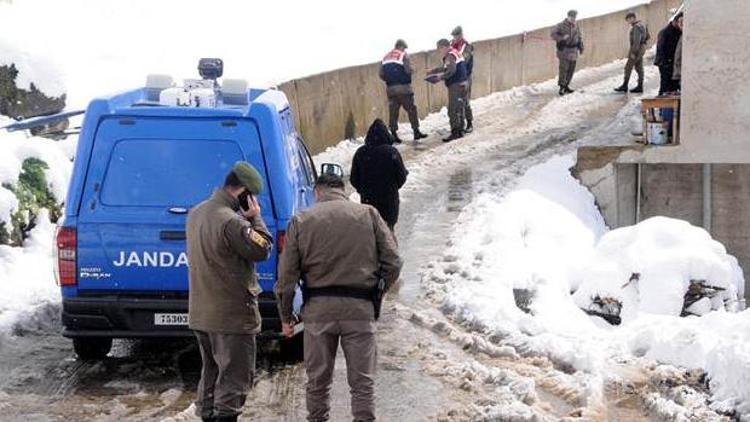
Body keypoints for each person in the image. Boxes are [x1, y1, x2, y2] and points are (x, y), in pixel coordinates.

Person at [275, 170, 403, 422]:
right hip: (360, 309)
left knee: (318, 382)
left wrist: (286, 316)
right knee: (362, 383)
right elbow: (394, 262)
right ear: (343, 191)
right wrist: (377, 291)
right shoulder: (368, 215)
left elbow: (286, 277)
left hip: (318, 312)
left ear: (317, 193)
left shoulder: (301, 220)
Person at [187, 161, 274, 422]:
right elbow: (263, 249)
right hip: (231, 316)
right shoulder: (232, 223)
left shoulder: (197, 212)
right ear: (244, 193)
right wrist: (255, 217)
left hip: (202, 313)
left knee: (211, 377)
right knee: (234, 382)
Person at [350, 119, 409, 232]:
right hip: (389, 203)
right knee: (388, 235)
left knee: (371, 233)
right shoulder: (391, 152)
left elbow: (354, 179)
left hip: (369, 201)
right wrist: (391, 188)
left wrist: (363, 190)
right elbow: (401, 177)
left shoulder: (361, 153)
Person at [379, 39, 428, 144]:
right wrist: (413, 70)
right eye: (404, 48)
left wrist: (391, 80)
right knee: (411, 109)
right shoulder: (403, 55)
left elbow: (381, 74)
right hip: (404, 89)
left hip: (391, 89)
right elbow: (408, 70)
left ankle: (393, 133)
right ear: (401, 47)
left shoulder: (385, 57)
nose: (405, 50)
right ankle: (416, 131)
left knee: (393, 112)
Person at [428, 38, 469, 142]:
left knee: (452, 109)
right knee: (460, 107)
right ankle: (460, 129)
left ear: (444, 47)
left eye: (439, 49)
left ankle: (455, 132)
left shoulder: (450, 55)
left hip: (456, 85)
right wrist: (434, 70)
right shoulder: (455, 53)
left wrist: (439, 77)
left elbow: (451, 70)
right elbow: (446, 67)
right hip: (463, 82)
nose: (439, 51)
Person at [551, 10, 584, 96]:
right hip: (564, 52)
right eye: (572, 17)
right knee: (563, 70)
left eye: (575, 17)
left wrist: (581, 46)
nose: (573, 19)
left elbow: (579, 36)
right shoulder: (561, 25)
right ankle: (562, 87)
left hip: (573, 51)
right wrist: (561, 38)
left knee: (571, 70)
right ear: (568, 17)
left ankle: (566, 85)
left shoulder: (576, 26)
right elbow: (553, 34)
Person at [615, 12, 650, 94]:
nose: (628, 22)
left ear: (633, 18)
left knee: (628, 67)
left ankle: (625, 85)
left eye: (628, 19)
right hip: (642, 47)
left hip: (637, 48)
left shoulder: (636, 27)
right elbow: (648, 36)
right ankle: (640, 86)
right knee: (639, 66)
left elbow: (636, 41)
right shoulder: (642, 24)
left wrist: (633, 52)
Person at [451, 26, 475, 133]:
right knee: (458, 102)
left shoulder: (467, 46)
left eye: (456, 36)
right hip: (457, 77)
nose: (454, 38)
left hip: (465, 76)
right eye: (454, 36)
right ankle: (460, 124)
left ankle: (469, 122)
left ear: (460, 35)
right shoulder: (453, 45)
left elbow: (463, 60)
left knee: (465, 100)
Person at [655, 12, 683, 95]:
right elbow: (661, 49)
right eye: (680, 22)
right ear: (675, 21)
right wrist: (666, 63)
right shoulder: (665, 32)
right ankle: (662, 106)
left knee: (673, 86)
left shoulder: (679, 32)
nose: (681, 24)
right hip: (665, 64)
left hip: (672, 64)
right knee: (665, 86)